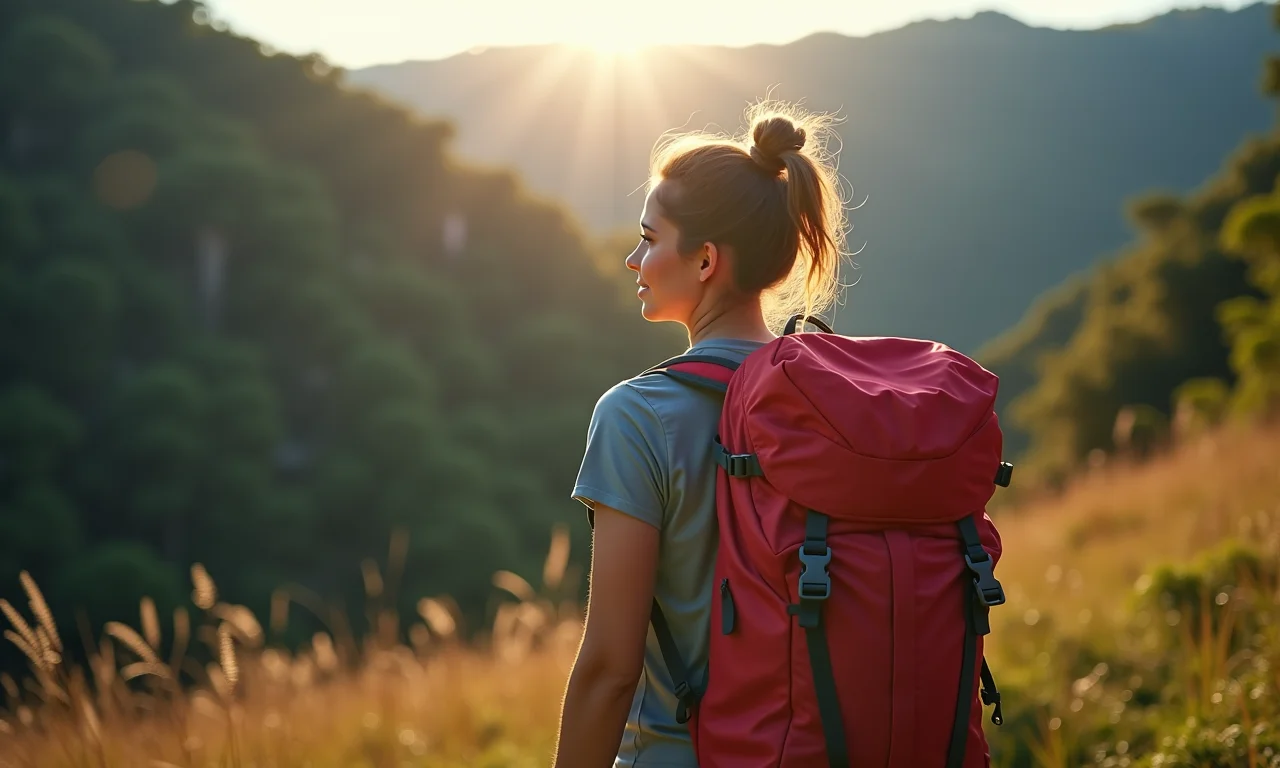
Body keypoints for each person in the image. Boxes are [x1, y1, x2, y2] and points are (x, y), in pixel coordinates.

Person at [551, 101, 850, 768]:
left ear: (706, 259)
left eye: (649, 238)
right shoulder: (832, 397)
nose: (633, 259)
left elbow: (610, 671)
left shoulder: (637, 416)